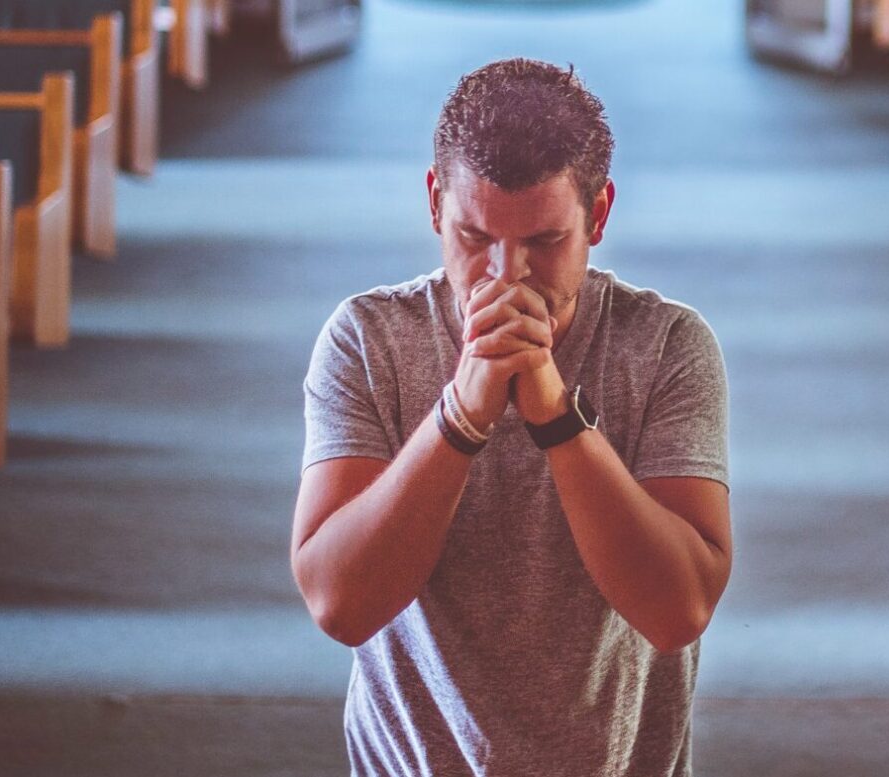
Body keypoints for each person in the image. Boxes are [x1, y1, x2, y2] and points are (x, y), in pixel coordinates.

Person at [290, 58, 732, 776]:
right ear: (436, 203)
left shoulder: (667, 346)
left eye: (543, 242)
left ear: (598, 214)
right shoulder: (367, 340)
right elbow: (341, 603)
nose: (506, 276)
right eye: (474, 237)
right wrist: (461, 415)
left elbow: (677, 609)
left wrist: (557, 416)